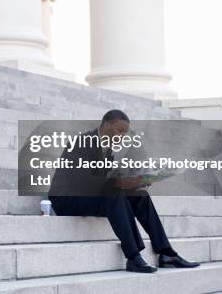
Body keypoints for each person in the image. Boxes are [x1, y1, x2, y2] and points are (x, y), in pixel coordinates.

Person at [48, 109, 200, 273]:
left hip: (91, 197)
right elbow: (83, 182)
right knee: (115, 193)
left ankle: (166, 253)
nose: (122, 136)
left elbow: (105, 183)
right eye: (119, 130)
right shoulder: (82, 142)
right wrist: (120, 182)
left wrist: (138, 181)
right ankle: (133, 257)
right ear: (106, 125)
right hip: (66, 199)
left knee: (141, 196)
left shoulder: (108, 150)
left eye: (124, 133)